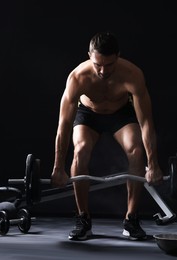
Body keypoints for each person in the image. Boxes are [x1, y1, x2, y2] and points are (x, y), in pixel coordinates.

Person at [51, 31, 163, 241]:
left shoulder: (133, 75)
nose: (103, 71)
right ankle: (83, 219)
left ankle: (131, 219)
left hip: (121, 114)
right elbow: (64, 125)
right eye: (97, 64)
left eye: (109, 65)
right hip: (88, 114)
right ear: (89, 55)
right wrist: (58, 168)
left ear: (118, 56)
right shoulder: (77, 78)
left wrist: (154, 164)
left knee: (136, 151)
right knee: (81, 150)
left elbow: (146, 122)